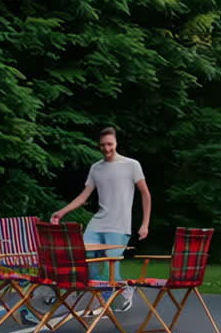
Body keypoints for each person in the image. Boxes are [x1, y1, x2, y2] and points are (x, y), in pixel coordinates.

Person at [49, 127, 151, 313]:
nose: (106, 148)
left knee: (111, 268)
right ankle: (90, 296)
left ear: (116, 143)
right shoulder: (96, 168)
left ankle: (125, 288)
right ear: (99, 145)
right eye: (103, 145)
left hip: (119, 225)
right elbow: (83, 196)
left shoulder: (131, 165)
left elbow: (145, 194)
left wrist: (145, 223)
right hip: (97, 223)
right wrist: (61, 212)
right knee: (84, 257)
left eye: (110, 144)